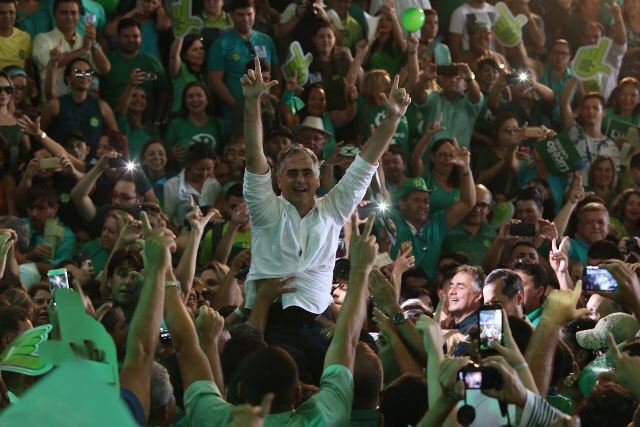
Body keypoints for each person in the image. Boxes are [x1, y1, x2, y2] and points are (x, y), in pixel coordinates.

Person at [241, 56, 408, 317]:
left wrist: (392, 119)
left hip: (315, 321)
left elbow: (365, 164)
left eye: (307, 173)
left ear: (318, 180)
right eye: (292, 173)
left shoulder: (332, 210)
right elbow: (254, 157)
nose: (300, 180)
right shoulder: (264, 208)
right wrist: (252, 101)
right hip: (267, 317)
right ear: (278, 179)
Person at [388, 148, 476, 281]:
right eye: (417, 200)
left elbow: (467, 203)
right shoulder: (392, 219)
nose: (423, 205)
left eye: (426, 201)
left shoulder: (437, 223)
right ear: (402, 203)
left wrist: (465, 169)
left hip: (428, 291)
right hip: (396, 287)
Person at [207, 0, 280, 115]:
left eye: (249, 14)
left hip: (266, 112)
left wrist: (274, 101)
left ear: (255, 12)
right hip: (235, 113)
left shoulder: (266, 40)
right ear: (231, 15)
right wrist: (237, 107)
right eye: (240, 15)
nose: (245, 19)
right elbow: (215, 81)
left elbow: (277, 73)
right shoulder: (221, 44)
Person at [41, 58, 118, 156]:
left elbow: (117, 138)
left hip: (94, 166)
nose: (84, 76)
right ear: (68, 78)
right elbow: (40, 134)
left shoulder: (102, 106)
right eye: (78, 73)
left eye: (88, 72)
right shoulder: (55, 105)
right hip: (61, 163)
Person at [32, 0, 109, 99]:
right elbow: (52, 64)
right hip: (53, 105)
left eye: (73, 13)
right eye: (64, 13)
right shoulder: (43, 39)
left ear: (78, 15)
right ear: (54, 15)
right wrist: (82, 50)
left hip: (82, 105)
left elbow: (104, 69)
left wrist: (93, 42)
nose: (69, 17)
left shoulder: (85, 41)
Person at [101, 18, 169, 124]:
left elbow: (164, 93)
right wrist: (77, 73)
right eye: (126, 36)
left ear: (141, 38)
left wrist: (158, 121)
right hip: (113, 124)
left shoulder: (152, 63)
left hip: (146, 126)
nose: (131, 40)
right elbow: (88, 76)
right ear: (118, 37)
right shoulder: (106, 60)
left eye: (135, 36)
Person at [560, 85, 620, 184]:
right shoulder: (574, 132)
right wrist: (576, 77)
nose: (590, 111)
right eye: (586, 108)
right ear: (581, 112)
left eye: (595, 108)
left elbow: (614, 181)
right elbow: (563, 105)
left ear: (604, 112)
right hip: (574, 195)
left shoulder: (611, 146)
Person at [164, 82, 225, 166]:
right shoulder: (176, 124)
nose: (195, 99)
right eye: (190, 96)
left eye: (199, 95)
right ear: (185, 102)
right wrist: (171, 155)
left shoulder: (220, 124)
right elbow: (164, 155)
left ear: (207, 100)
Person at [163, 142, 221, 230]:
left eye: (209, 169)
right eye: (199, 169)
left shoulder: (215, 184)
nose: (204, 174)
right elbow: (165, 218)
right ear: (188, 165)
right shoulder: (171, 185)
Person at [21, 184, 76, 275]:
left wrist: (22, 261)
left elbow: (59, 270)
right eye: (30, 208)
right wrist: (29, 255)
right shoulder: (20, 225)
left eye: (40, 208)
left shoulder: (66, 236)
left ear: (55, 208)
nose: (33, 213)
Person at [441, 184, 495, 267]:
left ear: (488, 209)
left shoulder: (492, 233)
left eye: (483, 205)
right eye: (473, 204)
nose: (477, 210)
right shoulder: (447, 227)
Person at [168, 34, 207, 114]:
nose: (200, 52)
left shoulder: (206, 75)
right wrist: (181, 34)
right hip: (180, 116)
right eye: (194, 50)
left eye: (201, 48)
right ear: (185, 56)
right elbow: (173, 56)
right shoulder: (181, 69)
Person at [446, 264, 484, 333]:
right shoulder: (447, 324)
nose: (451, 291)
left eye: (460, 288)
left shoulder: (481, 330)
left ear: (478, 296)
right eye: (451, 287)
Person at [513, 261, 549, 326]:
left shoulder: (543, 324)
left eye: (520, 285)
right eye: (512, 285)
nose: (513, 290)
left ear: (539, 292)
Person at [0, 0, 31, 70]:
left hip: (19, 77)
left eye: (11, 12)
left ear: (16, 14)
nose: (7, 16)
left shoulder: (25, 37)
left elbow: (27, 65)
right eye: (2, 13)